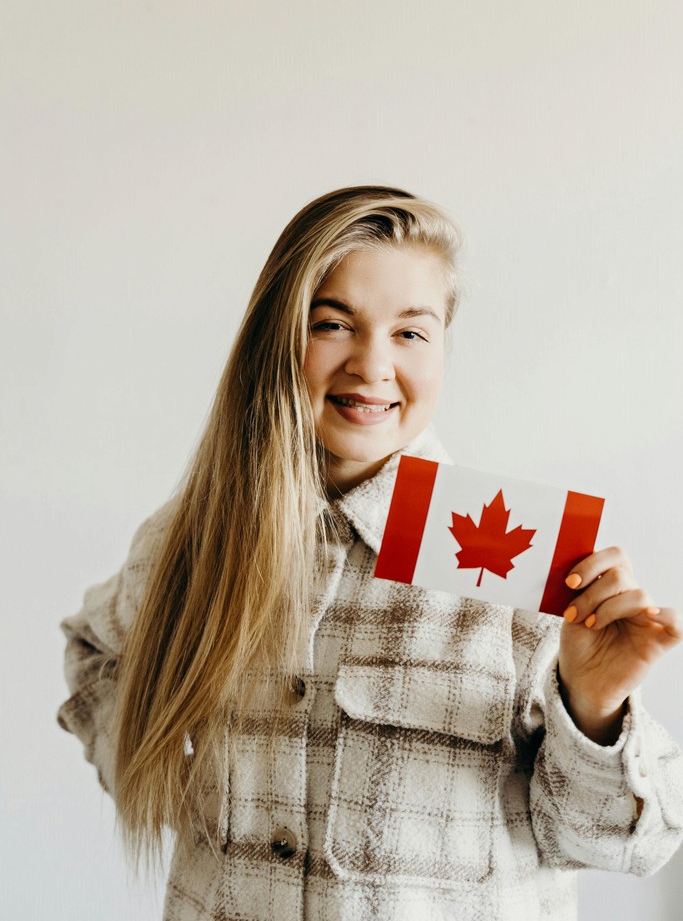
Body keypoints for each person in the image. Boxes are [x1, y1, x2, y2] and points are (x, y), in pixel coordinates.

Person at [58, 186, 683, 921]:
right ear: (278, 338)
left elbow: (629, 848)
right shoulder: (191, 541)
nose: (371, 364)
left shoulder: (531, 566)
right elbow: (97, 652)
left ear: (444, 348)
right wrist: (173, 783)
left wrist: (596, 708)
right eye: (332, 324)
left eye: (410, 333)